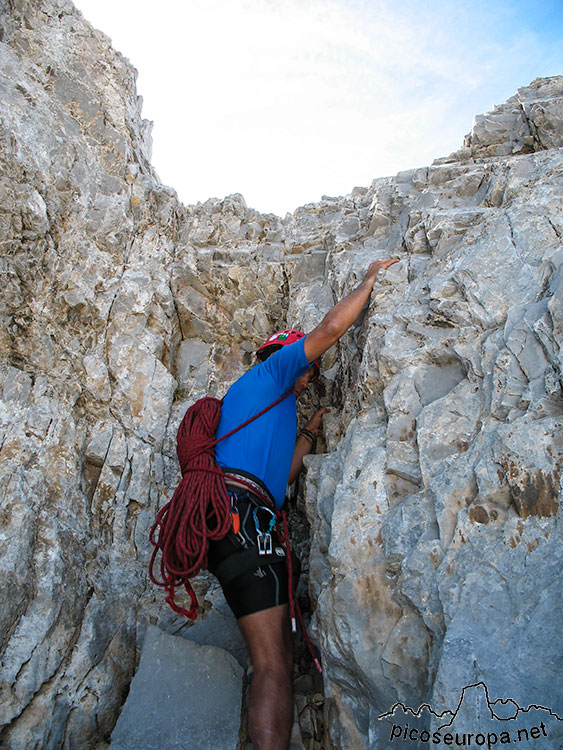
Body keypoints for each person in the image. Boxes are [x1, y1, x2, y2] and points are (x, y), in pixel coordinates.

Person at [207, 257, 399, 750]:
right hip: (248, 523)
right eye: (309, 369)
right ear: (287, 353)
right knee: (273, 664)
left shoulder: (259, 401)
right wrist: (369, 280)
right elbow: (332, 327)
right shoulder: (274, 374)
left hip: (229, 522)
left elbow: (280, 475)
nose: (310, 378)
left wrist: (310, 435)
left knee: (269, 657)